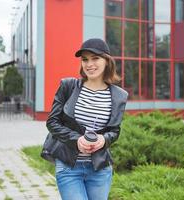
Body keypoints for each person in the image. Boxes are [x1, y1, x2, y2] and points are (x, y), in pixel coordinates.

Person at [46, 38, 128, 200]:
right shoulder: (68, 86)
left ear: (107, 61)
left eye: (95, 58)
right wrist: (76, 140)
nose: (89, 64)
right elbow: (52, 122)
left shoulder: (119, 96)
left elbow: (114, 130)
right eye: (85, 59)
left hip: (100, 169)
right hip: (69, 167)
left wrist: (104, 140)